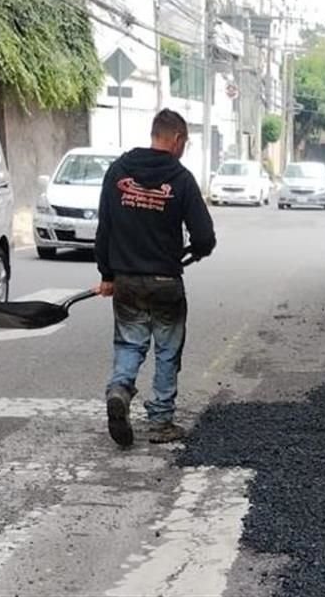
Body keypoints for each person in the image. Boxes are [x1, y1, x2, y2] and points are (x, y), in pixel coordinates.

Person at [94, 109, 216, 447]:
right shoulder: (181, 178)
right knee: (167, 347)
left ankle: (120, 388)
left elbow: (104, 229)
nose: (183, 149)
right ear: (176, 139)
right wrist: (197, 251)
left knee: (130, 342)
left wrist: (107, 274)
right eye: (185, 143)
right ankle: (161, 421)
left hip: (127, 280)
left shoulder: (118, 170)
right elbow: (204, 236)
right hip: (165, 281)